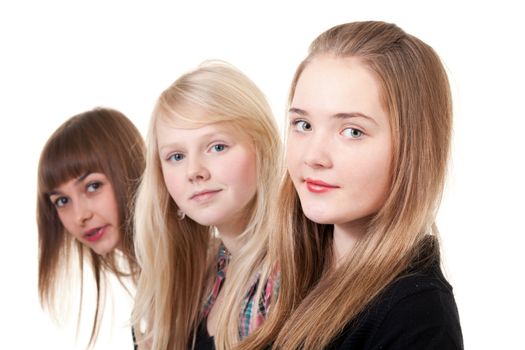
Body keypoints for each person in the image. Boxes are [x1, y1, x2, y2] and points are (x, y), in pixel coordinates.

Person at [238, 21, 463, 349]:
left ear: (413, 149)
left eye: (352, 131)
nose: (314, 156)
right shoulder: (289, 274)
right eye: (303, 124)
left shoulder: (417, 317)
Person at [132, 60, 281, 350]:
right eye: (176, 156)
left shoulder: (285, 274)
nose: (194, 171)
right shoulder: (211, 267)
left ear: (263, 148)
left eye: (217, 147)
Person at [37, 107, 145, 347]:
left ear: (129, 170)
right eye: (62, 201)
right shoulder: (149, 289)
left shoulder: (205, 271)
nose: (80, 216)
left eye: (93, 186)